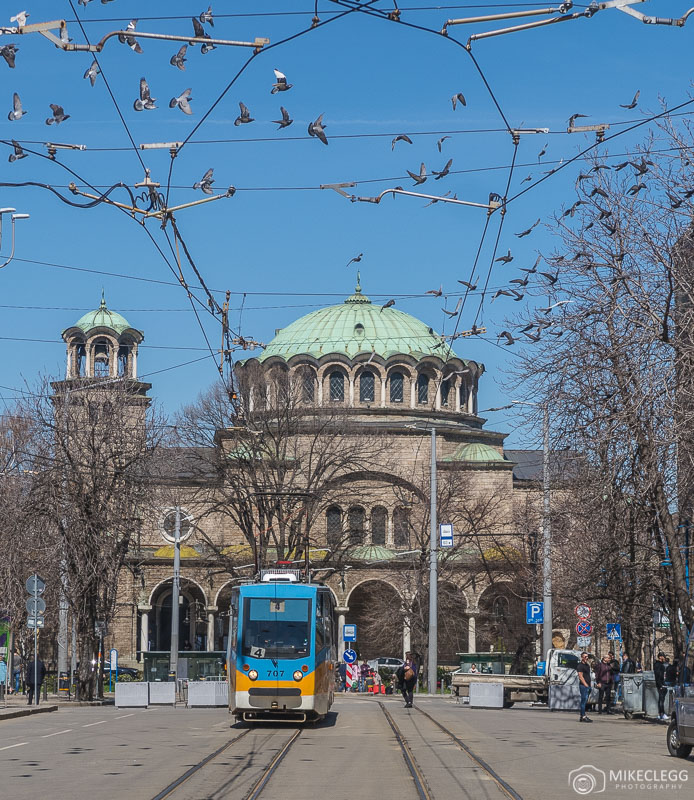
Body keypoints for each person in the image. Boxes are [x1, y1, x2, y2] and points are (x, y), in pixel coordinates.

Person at [576, 652, 593, 722]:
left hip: (588, 685)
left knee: (585, 701)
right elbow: (580, 676)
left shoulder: (587, 665)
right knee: (583, 701)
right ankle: (583, 716)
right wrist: (585, 684)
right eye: (585, 657)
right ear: (582, 657)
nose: (587, 658)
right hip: (583, 686)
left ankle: (582, 715)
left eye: (587, 657)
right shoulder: (580, 666)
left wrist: (589, 685)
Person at [654, 652, 669, 721]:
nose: (664, 658)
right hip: (660, 684)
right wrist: (660, 685)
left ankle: (661, 714)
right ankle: (662, 714)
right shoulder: (658, 665)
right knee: (661, 699)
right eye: (663, 656)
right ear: (660, 657)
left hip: (662, 683)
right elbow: (658, 676)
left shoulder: (660, 665)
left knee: (661, 699)